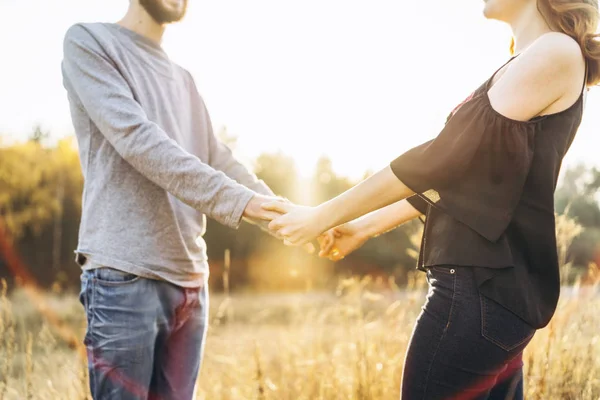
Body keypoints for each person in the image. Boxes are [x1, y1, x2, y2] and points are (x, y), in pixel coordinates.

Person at [265, 0, 600, 398]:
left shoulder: (555, 51)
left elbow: (440, 159)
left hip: (476, 294)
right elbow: (460, 178)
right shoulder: (529, 61)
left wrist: (321, 214)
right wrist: (362, 227)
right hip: (490, 298)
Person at [61, 0, 286, 398]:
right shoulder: (90, 41)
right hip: (124, 276)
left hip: (191, 285)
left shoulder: (183, 79)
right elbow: (139, 141)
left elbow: (217, 157)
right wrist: (241, 204)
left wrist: (286, 217)